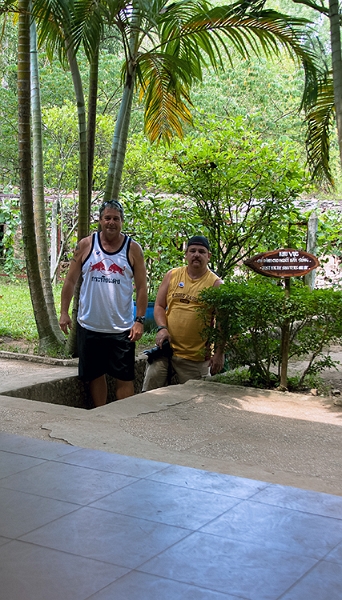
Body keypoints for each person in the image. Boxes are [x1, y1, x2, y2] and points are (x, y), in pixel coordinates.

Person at [59, 199, 148, 407]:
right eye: (107, 218)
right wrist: (64, 312)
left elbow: (142, 287)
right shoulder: (85, 245)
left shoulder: (133, 249)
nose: (111, 222)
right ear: (100, 220)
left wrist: (140, 320)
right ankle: (100, 415)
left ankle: (123, 419)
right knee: (95, 375)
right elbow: (70, 280)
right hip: (90, 325)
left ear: (122, 222)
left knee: (124, 377)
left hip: (122, 328)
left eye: (116, 219)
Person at [142, 235, 225, 391]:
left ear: (208, 256)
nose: (196, 255)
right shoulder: (172, 275)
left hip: (196, 358)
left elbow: (222, 322)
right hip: (166, 350)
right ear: (186, 254)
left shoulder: (216, 284)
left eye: (201, 251)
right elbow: (159, 305)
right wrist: (162, 328)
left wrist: (219, 353)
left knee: (196, 402)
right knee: (150, 388)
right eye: (192, 251)